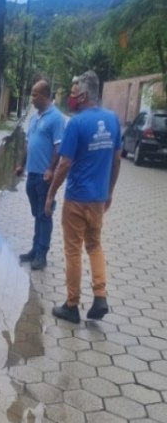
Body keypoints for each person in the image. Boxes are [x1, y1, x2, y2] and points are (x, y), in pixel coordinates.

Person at [44, 70, 122, 324]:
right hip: (98, 199)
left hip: (77, 198)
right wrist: (109, 192)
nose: (72, 95)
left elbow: (65, 164)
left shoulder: (76, 123)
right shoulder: (113, 120)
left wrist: (50, 194)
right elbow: (117, 159)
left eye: (75, 90)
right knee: (95, 245)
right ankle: (100, 296)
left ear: (86, 94)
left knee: (73, 251)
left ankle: (72, 305)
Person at [15, 79, 65, 270]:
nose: (32, 98)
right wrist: (21, 165)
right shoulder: (34, 118)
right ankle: (35, 249)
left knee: (45, 214)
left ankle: (41, 254)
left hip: (45, 177)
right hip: (31, 175)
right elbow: (28, 144)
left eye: (34, 94)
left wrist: (51, 169)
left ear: (44, 95)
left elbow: (59, 148)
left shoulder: (56, 118)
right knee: (37, 214)